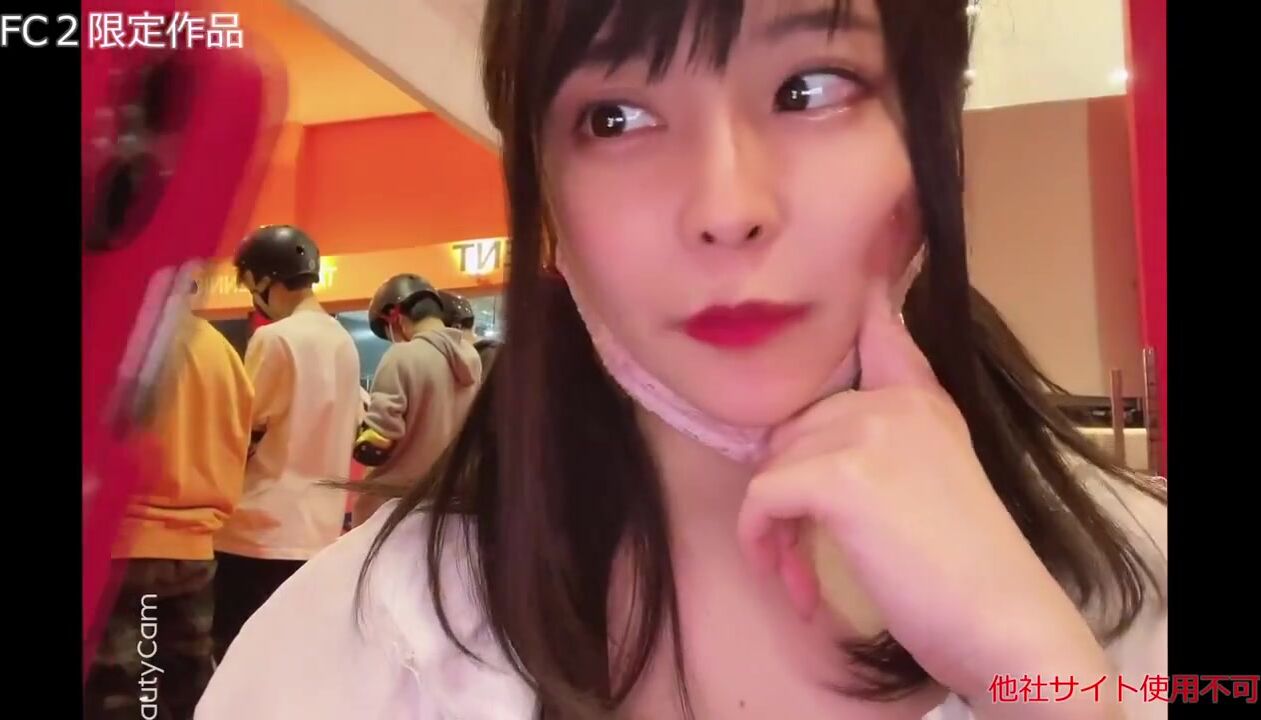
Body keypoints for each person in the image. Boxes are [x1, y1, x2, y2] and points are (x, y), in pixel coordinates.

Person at [198, 3, 1167, 719]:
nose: (725, 206)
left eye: (809, 88)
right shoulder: (353, 649)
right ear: (546, 204)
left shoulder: (1145, 595)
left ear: (932, 133)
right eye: (614, 118)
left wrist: (1046, 684)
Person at [86, 294, 253, 720]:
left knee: (118, 697)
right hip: (195, 548)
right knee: (185, 691)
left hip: (121, 549)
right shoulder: (219, 350)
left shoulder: (118, 341)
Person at [210, 224, 361, 661]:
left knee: (239, 659)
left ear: (264, 280)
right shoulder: (343, 341)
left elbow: (243, 430)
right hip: (320, 532)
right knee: (293, 660)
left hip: (259, 533)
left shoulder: (274, 338)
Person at [349, 274, 483, 529]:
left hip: (394, 507)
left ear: (396, 318)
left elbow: (376, 443)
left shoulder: (402, 356)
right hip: (447, 503)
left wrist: (358, 435)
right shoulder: (471, 360)